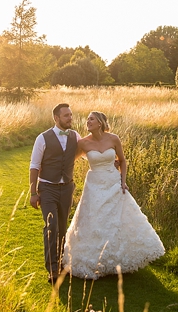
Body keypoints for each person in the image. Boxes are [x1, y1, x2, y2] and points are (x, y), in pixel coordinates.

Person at [62, 111, 165, 280]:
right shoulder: (83, 143)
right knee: (95, 220)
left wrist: (123, 181)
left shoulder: (113, 139)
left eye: (91, 119)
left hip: (113, 181)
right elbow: (69, 163)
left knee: (115, 220)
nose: (88, 122)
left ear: (100, 123)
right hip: (94, 184)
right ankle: (93, 261)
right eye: (87, 119)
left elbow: (122, 160)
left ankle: (116, 258)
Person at [29, 103, 79, 283]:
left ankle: (61, 262)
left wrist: (109, 162)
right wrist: (33, 193)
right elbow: (34, 166)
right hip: (47, 188)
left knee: (63, 227)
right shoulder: (42, 138)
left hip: (67, 188)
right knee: (51, 226)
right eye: (66, 116)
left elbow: (89, 152)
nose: (70, 118)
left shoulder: (75, 136)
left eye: (71, 115)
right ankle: (52, 269)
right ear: (56, 118)